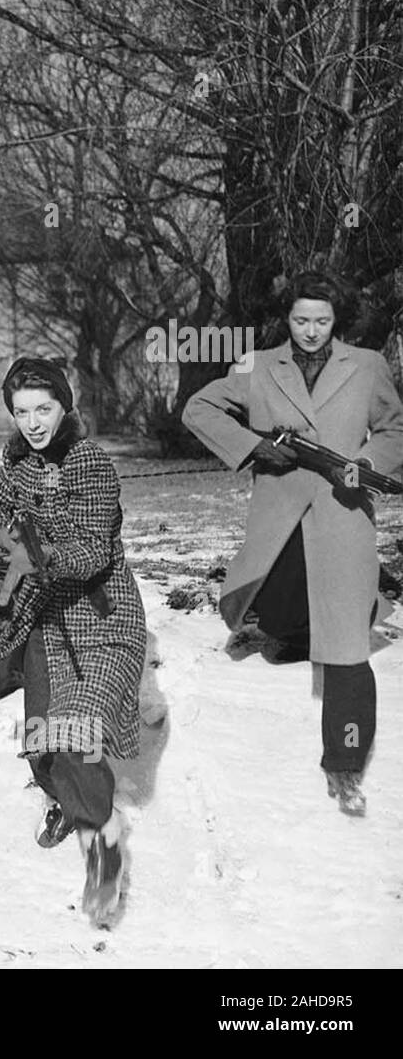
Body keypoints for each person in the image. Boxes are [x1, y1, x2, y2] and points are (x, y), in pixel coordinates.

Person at [184, 270, 403, 816]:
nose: (310, 331)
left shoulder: (368, 365)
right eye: (301, 320)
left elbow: (395, 428)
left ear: (337, 320)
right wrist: (254, 447)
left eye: (322, 321)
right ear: (288, 318)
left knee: (347, 648)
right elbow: (198, 408)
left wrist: (367, 466)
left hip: (343, 517)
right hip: (279, 518)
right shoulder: (258, 366)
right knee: (278, 618)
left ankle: (345, 766)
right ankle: (294, 633)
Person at [0, 357, 146, 924]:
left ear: (64, 406)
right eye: (21, 411)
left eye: (43, 409)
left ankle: (103, 840)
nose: (32, 422)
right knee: (40, 733)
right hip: (45, 618)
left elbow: (97, 548)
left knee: (77, 730)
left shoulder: (91, 463)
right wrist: (9, 538)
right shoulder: (19, 461)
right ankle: (62, 799)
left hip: (100, 614)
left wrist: (41, 555)